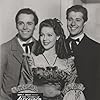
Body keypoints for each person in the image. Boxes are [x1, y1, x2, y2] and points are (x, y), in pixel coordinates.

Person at [12, 18, 85, 100]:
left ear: (57, 36)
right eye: (42, 35)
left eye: (49, 35)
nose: (45, 39)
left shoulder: (67, 62)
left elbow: (72, 91)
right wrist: (43, 92)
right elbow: (22, 94)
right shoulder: (31, 60)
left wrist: (58, 93)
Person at [0, 8, 39, 100]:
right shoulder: (4, 49)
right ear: (16, 25)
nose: (25, 27)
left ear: (35, 26)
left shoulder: (41, 48)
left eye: (29, 23)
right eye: (21, 23)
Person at [65, 5, 100, 100]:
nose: (73, 23)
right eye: (70, 19)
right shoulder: (58, 46)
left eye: (78, 20)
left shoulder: (97, 49)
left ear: (84, 22)